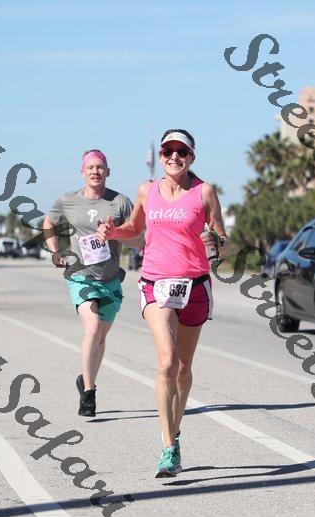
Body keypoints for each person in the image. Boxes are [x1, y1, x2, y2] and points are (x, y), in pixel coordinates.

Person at [97, 129, 227, 477]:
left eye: (181, 152)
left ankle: (175, 431)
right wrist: (113, 233)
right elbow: (134, 229)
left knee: (183, 368)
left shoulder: (204, 192)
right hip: (156, 283)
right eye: (168, 151)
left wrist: (214, 240)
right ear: (162, 155)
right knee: (167, 361)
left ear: (191, 157)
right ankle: (168, 448)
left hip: (195, 284)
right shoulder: (147, 190)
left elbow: (221, 236)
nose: (174, 157)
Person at [43, 149, 141, 418]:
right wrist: (55, 251)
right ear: (82, 172)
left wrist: (115, 233)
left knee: (100, 338)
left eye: (100, 167)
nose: (95, 171)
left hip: (110, 279)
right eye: (91, 167)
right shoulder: (67, 201)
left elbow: (138, 239)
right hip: (80, 276)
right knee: (93, 327)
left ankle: (85, 379)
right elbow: (49, 222)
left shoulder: (120, 203)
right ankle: (89, 393)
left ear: (108, 172)